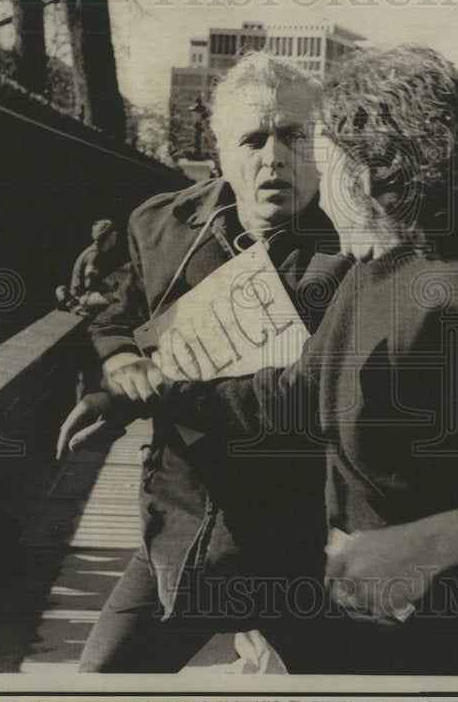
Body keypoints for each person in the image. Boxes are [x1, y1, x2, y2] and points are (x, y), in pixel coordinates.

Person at [81, 46, 458, 675]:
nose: (310, 177)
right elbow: (299, 391)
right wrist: (152, 390)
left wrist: (428, 544)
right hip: (383, 645)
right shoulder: (376, 275)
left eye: (319, 152)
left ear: (373, 175)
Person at [61, 53, 350, 672]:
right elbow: (113, 309)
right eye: (252, 139)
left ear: (320, 145)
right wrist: (118, 367)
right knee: (101, 678)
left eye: (294, 135)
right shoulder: (159, 225)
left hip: (305, 545)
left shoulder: (355, 250)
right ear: (220, 151)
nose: (274, 157)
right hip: (186, 523)